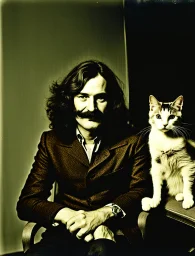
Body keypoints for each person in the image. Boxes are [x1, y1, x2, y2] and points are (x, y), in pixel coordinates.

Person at [17, 60, 152, 255]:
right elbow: (27, 202)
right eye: (82, 97)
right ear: (69, 100)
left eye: (100, 98)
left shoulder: (133, 141)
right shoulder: (50, 141)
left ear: (111, 102)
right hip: (66, 233)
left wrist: (100, 217)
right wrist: (74, 218)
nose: (91, 107)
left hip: (114, 233)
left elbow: (140, 191)